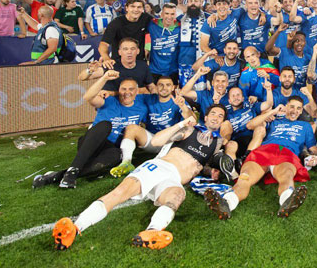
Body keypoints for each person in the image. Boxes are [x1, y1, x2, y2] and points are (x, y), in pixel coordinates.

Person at [51, 107, 227, 250]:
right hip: (159, 167)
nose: (216, 117)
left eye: (220, 116)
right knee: (120, 193)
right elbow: (157, 141)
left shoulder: (216, 143)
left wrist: (211, 171)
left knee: (177, 197)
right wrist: (181, 123)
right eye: (213, 113)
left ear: (222, 122)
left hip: (174, 180)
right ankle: (75, 228)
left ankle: (151, 232)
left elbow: (202, 166)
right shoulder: (189, 130)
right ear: (205, 116)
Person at [204, 99, 317, 219]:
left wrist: (313, 157)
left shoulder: (305, 126)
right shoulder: (274, 121)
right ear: (285, 107)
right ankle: (226, 203)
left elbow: (314, 149)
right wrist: (272, 112)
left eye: (298, 108)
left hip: (286, 152)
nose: (294, 111)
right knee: (245, 176)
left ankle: (287, 201)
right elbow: (251, 125)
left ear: (301, 111)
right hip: (264, 151)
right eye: (291, 107)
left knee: (287, 174)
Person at [33, 71, 148, 189]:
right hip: (91, 143)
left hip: (110, 149)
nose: (127, 92)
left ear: (137, 91)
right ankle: (73, 170)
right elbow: (87, 97)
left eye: (131, 89)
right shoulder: (109, 100)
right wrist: (104, 78)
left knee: (116, 155)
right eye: (123, 89)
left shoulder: (142, 107)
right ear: (119, 90)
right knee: (105, 125)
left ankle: (59, 175)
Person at [109, 78, 193, 178]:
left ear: (173, 88)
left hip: (172, 142)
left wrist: (183, 106)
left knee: (187, 129)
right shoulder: (148, 98)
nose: (164, 88)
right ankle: (126, 162)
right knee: (131, 128)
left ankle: (164, 162)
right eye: (161, 85)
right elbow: (129, 93)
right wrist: (109, 93)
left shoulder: (178, 100)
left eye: (168, 85)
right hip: (153, 140)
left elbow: (192, 119)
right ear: (156, 87)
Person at [81, 37, 156, 93]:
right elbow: (82, 77)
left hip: (134, 105)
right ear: (119, 52)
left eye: (132, 49)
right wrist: (90, 70)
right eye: (125, 49)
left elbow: (151, 87)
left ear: (138, 51)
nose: (129, 52)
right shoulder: (111, 65)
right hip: (113, 104)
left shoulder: (143, 66)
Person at [100, 0, 152, 68]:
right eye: (132, 6)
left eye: (139, 7)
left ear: (143, 9)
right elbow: (103, 44)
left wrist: (148, 48)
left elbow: (160, 26)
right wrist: (106, 58)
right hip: (118, 63)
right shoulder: (116, 23)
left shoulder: (146, 18)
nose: (136, 10)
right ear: (126, 8)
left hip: (139, 63)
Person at [147, 4, 181, 84]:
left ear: (175, 15)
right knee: (154, 94)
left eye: (172, 14)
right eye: (166, 13)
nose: (169, 17)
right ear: (161, 14)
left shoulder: (180, 28)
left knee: (172, 93)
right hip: (155, 70)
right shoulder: (152, 25)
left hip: (173, 70)